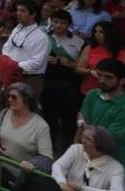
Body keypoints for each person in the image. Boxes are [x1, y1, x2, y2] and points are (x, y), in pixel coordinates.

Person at [77, 58, 125, 171]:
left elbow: (106, 140)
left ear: (122, 81)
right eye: (99, 75)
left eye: (108, 77)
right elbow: (81, 125)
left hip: (113, 164)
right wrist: (75, 149)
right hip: (87, 158)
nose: (101, 80)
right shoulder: (92, 95)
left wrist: (84, 125)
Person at [41, 9, 85, 152]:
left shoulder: (78, 41)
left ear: (69, 24)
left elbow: (82, 65)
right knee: (49, 116)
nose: (58, 25)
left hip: (69, 84)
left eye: (63, 23)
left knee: (68, 119)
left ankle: (67, 148)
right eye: (56, 22)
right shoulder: (43, 36)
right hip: (48, 82)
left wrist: (69, 63)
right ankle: (49, 146)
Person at [0, 82, 53, 179]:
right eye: (8, 96)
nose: (9, 99)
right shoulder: (4, 113)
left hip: (24, 178)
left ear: (26, 100)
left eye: (14, 97)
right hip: (1, 170)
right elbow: (0, 134)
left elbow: (47, 159)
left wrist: (30, 164)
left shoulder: (41, 126)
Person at [0, 0, 50, 97]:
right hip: (10, 74)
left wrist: (15, 66)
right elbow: (6, 48)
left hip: (29, 79)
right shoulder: (17, 29)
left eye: (22, 11)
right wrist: (8, 64)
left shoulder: (41, 37)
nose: (18, 13)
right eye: (18, 10)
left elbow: (37, 63)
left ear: (33, 14)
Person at [51, 125, 124, 191]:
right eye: (83, 136)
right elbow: (57, 166)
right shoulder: (76, 149)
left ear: (100, 145)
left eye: (88, 139)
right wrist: (62, 183)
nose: (83, 141)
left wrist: (82, 188)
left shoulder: (116, 168)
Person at [75, 21, 125, 95]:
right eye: (95, 32)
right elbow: (78, 68)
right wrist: (90, 72)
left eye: (101, 32)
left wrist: (111, 79)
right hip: (90, 93)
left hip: (115, 96)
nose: (97, 34)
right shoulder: (89, 48)